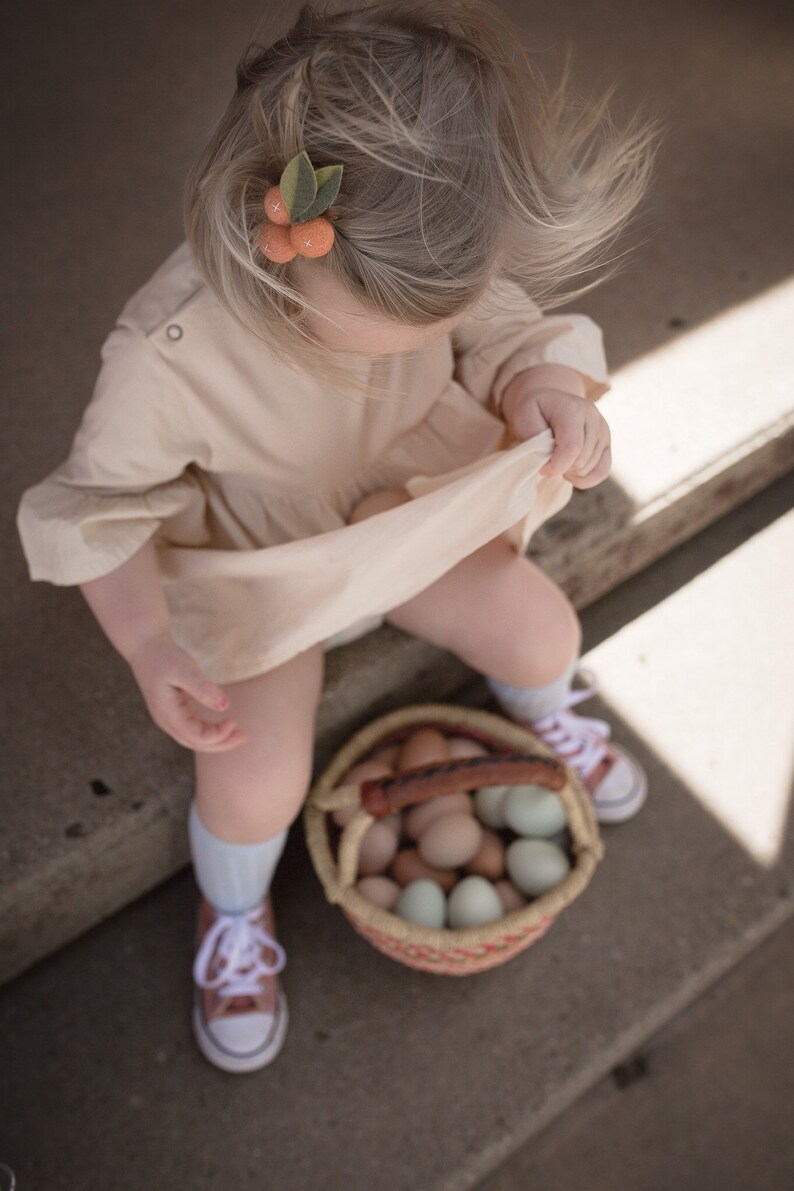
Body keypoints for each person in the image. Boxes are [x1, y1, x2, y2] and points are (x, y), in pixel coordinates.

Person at [16, 0, 661, 1074]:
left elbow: (504, 334)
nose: (412, 349)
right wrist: (148, 642)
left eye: (426, 333)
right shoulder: (167, 356)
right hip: (266, 564)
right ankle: (233, 915)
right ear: (280, 247)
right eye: (382, 340)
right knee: (253, 776)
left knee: (540, 626)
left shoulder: (421, 246)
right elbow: (101, 506)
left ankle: (553, 715)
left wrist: (542, 390)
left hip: (402, 505)